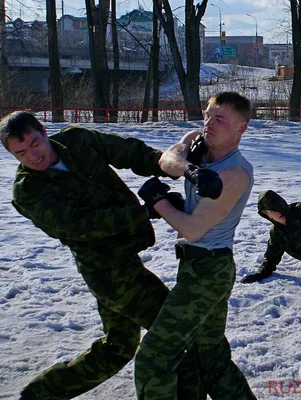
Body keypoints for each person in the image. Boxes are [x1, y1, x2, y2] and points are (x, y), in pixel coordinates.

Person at [0, 111, 220, 400]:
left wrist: (174, 165)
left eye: (35, 142)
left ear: (43, 130)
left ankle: (38, 396)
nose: (33, 155)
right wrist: (148, 209)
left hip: (124, 257)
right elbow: (82, 226)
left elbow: (127, 152)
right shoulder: (28, 191)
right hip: (108, 272)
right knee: (178, 334)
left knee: (118, 347)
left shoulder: (77, 140)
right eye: (21, 153)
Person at [135, 92, 258, 400]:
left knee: (154, 357)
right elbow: (168, 159)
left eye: (220, 119)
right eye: (207, 114)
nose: (209, 124)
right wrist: (190, 170)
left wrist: (159, 201)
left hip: (209, 270)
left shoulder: (235, 174)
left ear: (241, 128)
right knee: (210, 357)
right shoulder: (198, 142)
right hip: (195, 266)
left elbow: (191, 229)